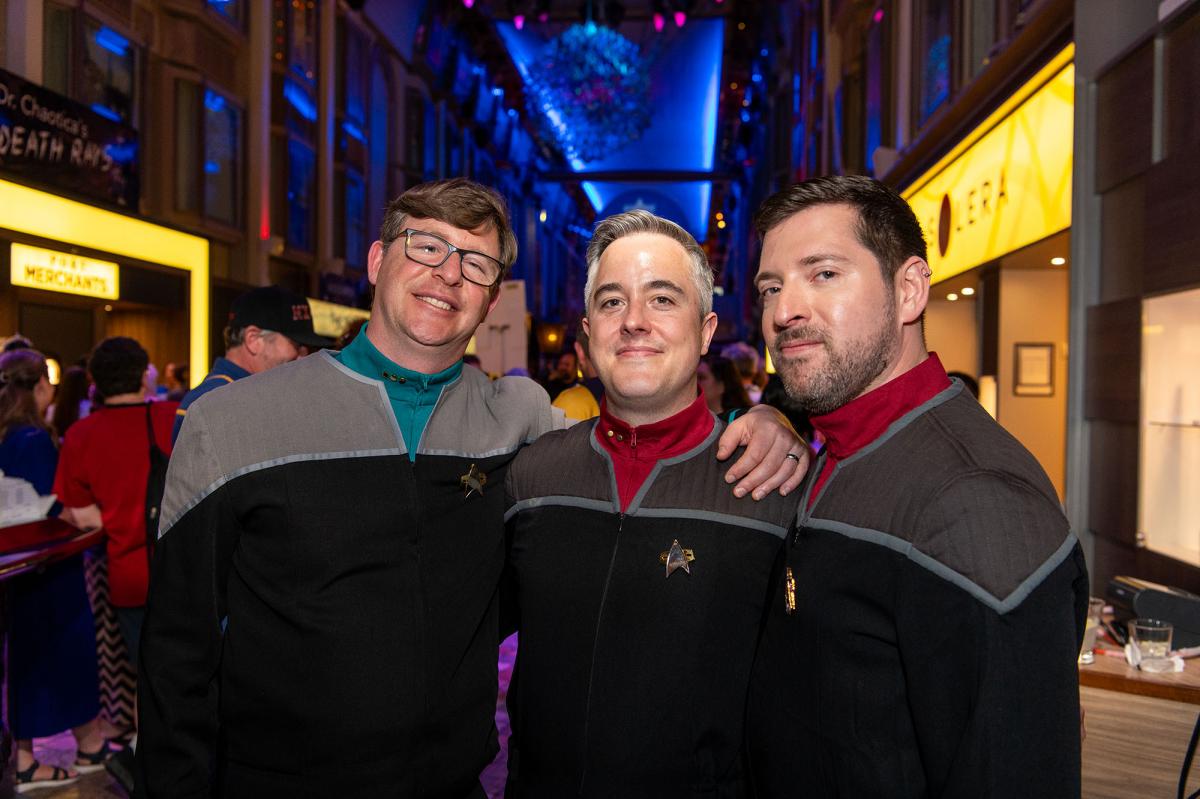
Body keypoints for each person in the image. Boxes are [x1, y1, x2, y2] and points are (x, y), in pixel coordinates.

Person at [138, 178, 806, 798]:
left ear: (490, 299)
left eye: (476, 263)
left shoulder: (517, 423)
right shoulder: (232, 422)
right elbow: (176, 652)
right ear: (377, 260)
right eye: (426, 246)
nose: (448, 273)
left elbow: (636, 438)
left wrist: (765, 421)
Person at [745, 175, 1087, 797]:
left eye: (824, 274)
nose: (783, 311)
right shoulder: (841, 450)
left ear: (908, 291)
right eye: (771, 287)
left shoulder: (977, 500)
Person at [503, 211, 801, 797]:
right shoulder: (531, 474)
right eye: (612, 302)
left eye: (662, 299)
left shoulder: (768, 485)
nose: (634, 321)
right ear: (588, 333)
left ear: (706, 330)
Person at [0, 349, 108, 791]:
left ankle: (28, 756)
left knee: (25, 658)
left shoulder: (8, 434)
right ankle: (84, 746)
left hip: (15, 568)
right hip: (47, 564)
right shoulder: (33, 439)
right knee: (67, 651)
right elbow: (52, 506)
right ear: (41, 386)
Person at [171, 284, 330, 441]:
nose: (304, 356)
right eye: (297, 344)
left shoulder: (242, 396)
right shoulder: (217, 404)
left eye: (307, 348)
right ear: (253, 340)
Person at [550, 327, 602, 421]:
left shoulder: (572, 401)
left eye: (567, 364)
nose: (563, 368)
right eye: (561, 364)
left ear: (580, 352)